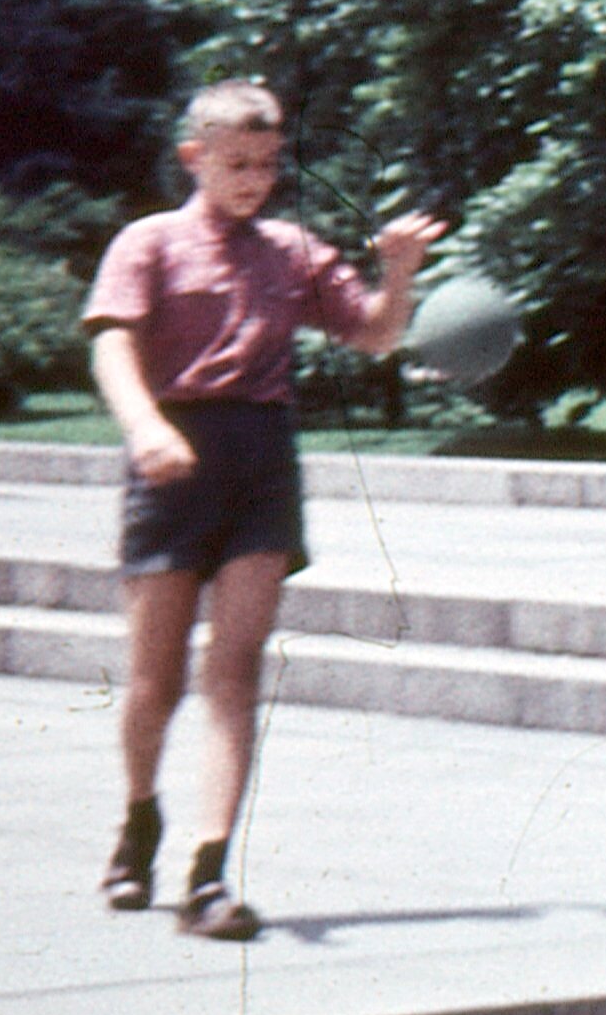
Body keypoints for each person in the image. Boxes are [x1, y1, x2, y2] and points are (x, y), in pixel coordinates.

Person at [85, 82, 440, 938]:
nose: (254, 180)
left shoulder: (291, 250)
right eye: (237, 164)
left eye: (268, 164)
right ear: (194, 158)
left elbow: (375, 334)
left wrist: (397, 273)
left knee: (236, 670)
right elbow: (111, 344)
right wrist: (144, 427)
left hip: (261, 462)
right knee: (156, 678)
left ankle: (209, 872)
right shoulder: (149, 242)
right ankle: (139, 821)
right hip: (174, 455)